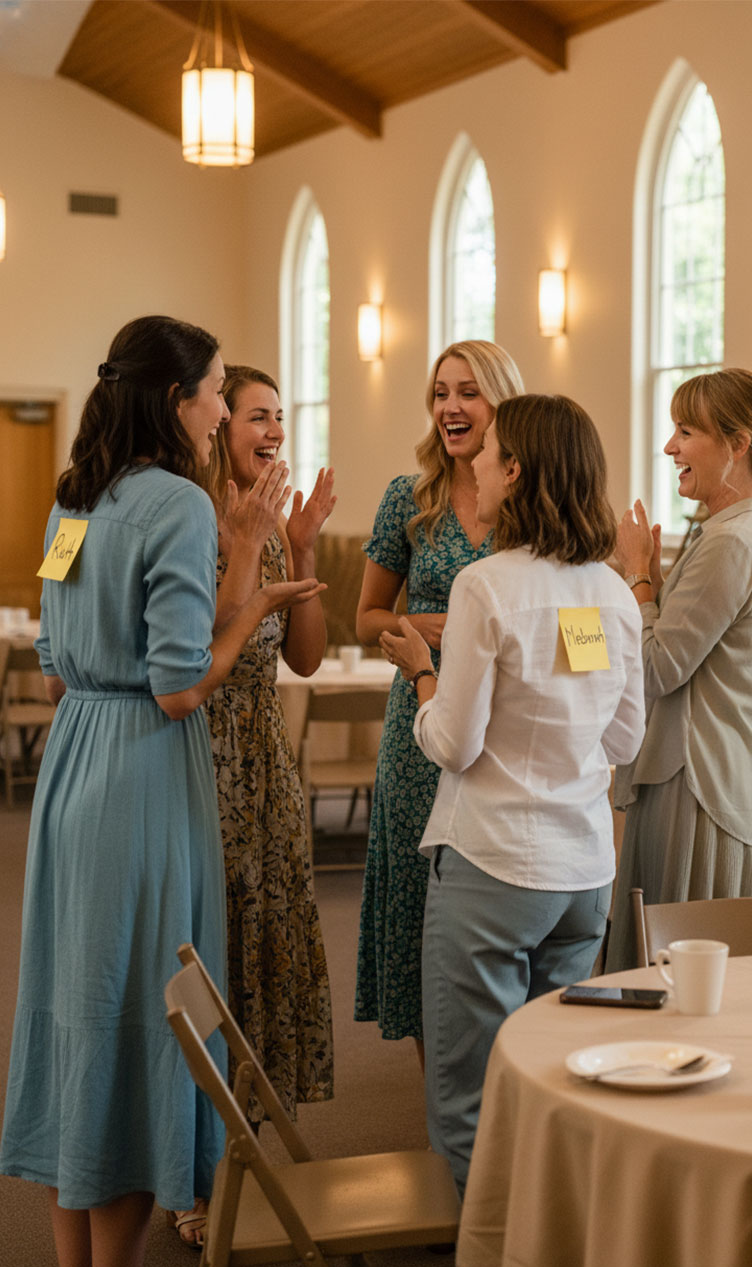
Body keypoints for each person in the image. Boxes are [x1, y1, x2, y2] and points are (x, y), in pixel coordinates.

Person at [0, 317, 325, 1267]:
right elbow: (184, 683)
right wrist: (255, 600)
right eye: (220, 392)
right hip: (146, 770)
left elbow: (56, 672)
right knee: (146, 1020)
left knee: (78, 1015)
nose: (226, 410)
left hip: (70, 770)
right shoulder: (179, 507)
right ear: (177, 401)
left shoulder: (71, 505)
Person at [379, 393, 645, 1194]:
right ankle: (546, 1238)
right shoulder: (612, 592)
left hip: (492, 863)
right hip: (582, 874)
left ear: (516, 472)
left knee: (469, 1094)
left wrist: (420, 676)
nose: (476, 461)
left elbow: (454, 744)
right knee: (554, 1076)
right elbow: (624, 741)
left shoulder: (485, 586)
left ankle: (485, 1248)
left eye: (488, 448)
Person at [353, 341, 524, 1061]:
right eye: (440, 393)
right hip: (419, 729)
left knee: (497, 899)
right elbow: (363, 620)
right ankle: (438, 1085)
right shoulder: (408, 497)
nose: (451, 408)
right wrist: (412, 626)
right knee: (425, 900)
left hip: (505, 728)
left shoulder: (528, 497)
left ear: (501, 404)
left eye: (468, 393)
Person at [604, 367, 752, 972]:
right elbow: (745, 645)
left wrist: (638, 576)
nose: (671, 447)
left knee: (681, 978)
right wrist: (660, 596)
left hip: (697, 789)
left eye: (686, 431)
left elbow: (655, 670)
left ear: (738, 443)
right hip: (742, 776)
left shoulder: (729, 543)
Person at [199, 365, 334, 1152]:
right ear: (219, 425)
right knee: (212, 937)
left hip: (264, 755)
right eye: (256, 415)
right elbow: (205, 643)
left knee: (265, 932)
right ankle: (195, 1154)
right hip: (201, 745)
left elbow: (307, 661)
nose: (274, 430)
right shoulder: (192, 518)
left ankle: (249, 1123)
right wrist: (249, 547)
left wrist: (302, 546)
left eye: (279, 416)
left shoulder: (276, 531)